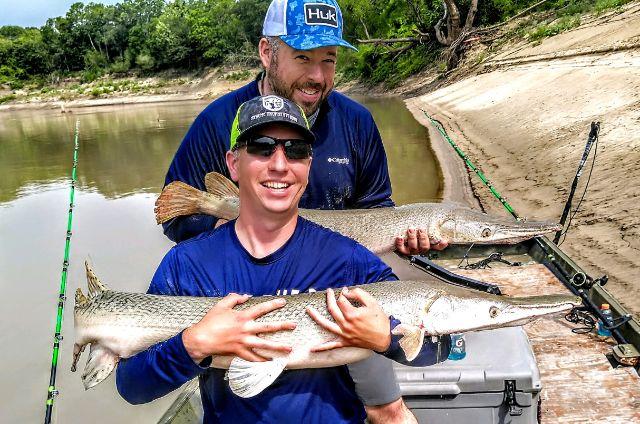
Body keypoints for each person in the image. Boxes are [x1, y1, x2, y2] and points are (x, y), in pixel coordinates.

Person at [161, 0, 448, 420]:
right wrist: (231, 223)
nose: (317, 76)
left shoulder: (356, 122)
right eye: (302, 58)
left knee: (388, 410)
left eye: (328, 60)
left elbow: (375, 207)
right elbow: (174, 214)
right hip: (246, 301)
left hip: (343, 297)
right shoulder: (217, 121)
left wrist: (405, 241)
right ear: (266, 52)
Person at [117, 96, 450, 423]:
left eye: (296, 150)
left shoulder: (347, 259)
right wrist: (192, 345)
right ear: (233, 163)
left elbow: (438, 348)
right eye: (262, 147)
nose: (280, 164)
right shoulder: (187, 265)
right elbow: (132, 386)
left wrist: (385, 338)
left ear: (308, 164)